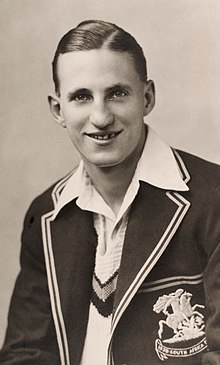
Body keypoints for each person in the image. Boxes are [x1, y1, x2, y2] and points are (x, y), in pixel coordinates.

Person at [0, 19, 220, 365]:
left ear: (146, 98)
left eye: (117, 93)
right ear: (59, 110)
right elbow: (24, 355)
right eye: (81, 97)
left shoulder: (212, 201)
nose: (100, 117)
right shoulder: (46, 216)